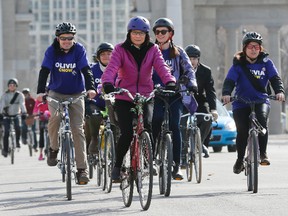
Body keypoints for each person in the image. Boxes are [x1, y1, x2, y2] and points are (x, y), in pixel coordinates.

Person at [101, 16, 176, 182]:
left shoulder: (153, 49)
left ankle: (149, 161)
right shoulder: (120, 49)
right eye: (135, 33)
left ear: (146, 34)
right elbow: (112, 68)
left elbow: (162, 67)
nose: (138, 36)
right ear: (129, 33)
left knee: (148, 128)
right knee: (127, 133)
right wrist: (107, 83)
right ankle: (117, 166)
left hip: (145, 95)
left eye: (141, 33)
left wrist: (170, 81)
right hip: (124, 95)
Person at [36, 22, 96, 184]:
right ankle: (53, 149)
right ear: (58, 38)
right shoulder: (51, 50)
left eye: (70, 38)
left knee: (78, 129)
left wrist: (90, 88)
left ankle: (82, 169)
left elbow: (86, 70)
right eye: (63, 38)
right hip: (56, 93)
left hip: (76, 93)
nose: (67, 41)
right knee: (54, 118)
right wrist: (41, 91)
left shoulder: (79, 50)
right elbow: (44, 71)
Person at [221, 31, 285, 174]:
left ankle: (263, 153)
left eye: (257, 46)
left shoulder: (266, 63)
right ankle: (239, 160)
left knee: (262, 122)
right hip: (241, 102)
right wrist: (226, 94)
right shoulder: (238, 65)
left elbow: (275, 78)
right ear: (244, 48)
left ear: (260, 48)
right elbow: (229, 81)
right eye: (250, 46)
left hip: (261, 100)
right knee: (242, 130)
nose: (254, 49)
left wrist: (279, 91)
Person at [151, 18, 198, 180]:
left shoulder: (178, 52)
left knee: (175, 125)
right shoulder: (151, 50)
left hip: (175, 94)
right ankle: (152, 157)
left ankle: (176, 165)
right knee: (156, 120)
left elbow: (189, 70)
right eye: (157, 32)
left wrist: (192, 84)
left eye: (163, 32)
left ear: (170, 34)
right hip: (156, 94)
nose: (160, 34)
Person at [183, 44, 218, 158]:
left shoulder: (206, 71)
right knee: (180, 122)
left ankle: (200, 143)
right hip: (183, 100)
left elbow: (210, 91)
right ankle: (182, 149)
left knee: (207, 119)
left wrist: (213, 109)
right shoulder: (180, 69)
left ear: (198, 59)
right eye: (189, 59)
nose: (192, 61)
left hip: (199, 101)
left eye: (194, 59)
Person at [85, 42, 114, 155]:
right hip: (95, 103)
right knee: (94, 115)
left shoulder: (118, 69)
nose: (106, 56)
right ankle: (94, 139)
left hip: (112, 103)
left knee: (118, 124)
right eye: (103, 54)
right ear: (98, 57)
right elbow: (85, 82)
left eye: (109, 53)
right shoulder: (92, 69)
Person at [0, 78, 27, 157]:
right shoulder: (4, 95)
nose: (12, 87)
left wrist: (24, 112)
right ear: (8, 86)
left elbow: (22, 104)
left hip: (16, 115)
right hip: (6, 116)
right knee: (6, 132)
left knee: (18, 128)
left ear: (16, 86)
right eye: (10, 85)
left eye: (13, 85)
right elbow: (2, 105)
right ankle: (5, 149)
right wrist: (1, 113)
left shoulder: (19, 95)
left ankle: (18, 142)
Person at [33, 94, 50, 161]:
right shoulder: (38, 100)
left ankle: (52, 150)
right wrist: (36, 114)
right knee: (41, 135)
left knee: (53, 134)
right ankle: (41, 153)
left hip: (50, 118)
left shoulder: (51, 99)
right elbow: (35, 109)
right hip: (42, 119)